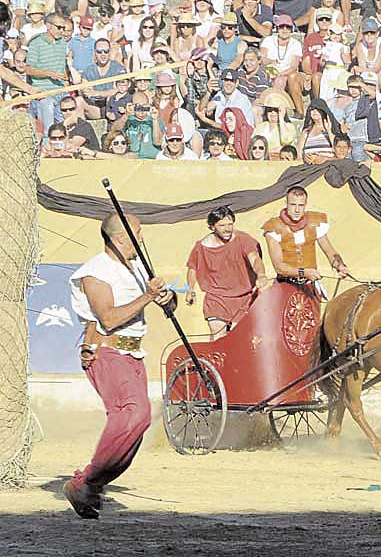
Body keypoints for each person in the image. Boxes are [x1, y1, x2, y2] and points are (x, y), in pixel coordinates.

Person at [63, 213, 175, 519]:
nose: (142, 239)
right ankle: (86, 481)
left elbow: (160, 304)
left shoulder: (137, 267)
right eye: (137, 234)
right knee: (133, 415)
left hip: (133, 354)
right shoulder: (95, 272)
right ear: (119, 238)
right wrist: (147, 297)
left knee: (138, 424)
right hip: (107, 351)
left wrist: (167, 299)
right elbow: (109, 318)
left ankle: (92, 486)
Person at [186, 206, 271, 338]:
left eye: (230, 224)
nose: (227, 229)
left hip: (244, 298)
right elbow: (192, 268)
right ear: (212, 227)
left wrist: (261, 274)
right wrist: (190, 289)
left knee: (241, 339)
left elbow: (255, 259)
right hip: (217, 298)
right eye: (222, 225)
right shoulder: (202, 246)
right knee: (219, 339)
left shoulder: (243, 239)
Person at [262, 186, 350, 296]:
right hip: (285, 286)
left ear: (306, 204)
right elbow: (279, 266)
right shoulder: (274, 227)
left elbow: (329, 250)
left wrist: (340, 266)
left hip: (310, 286)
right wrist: (304, 273)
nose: (297, 210)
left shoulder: (315, 223)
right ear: (286, 203)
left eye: (301, 205)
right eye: (293, 205)